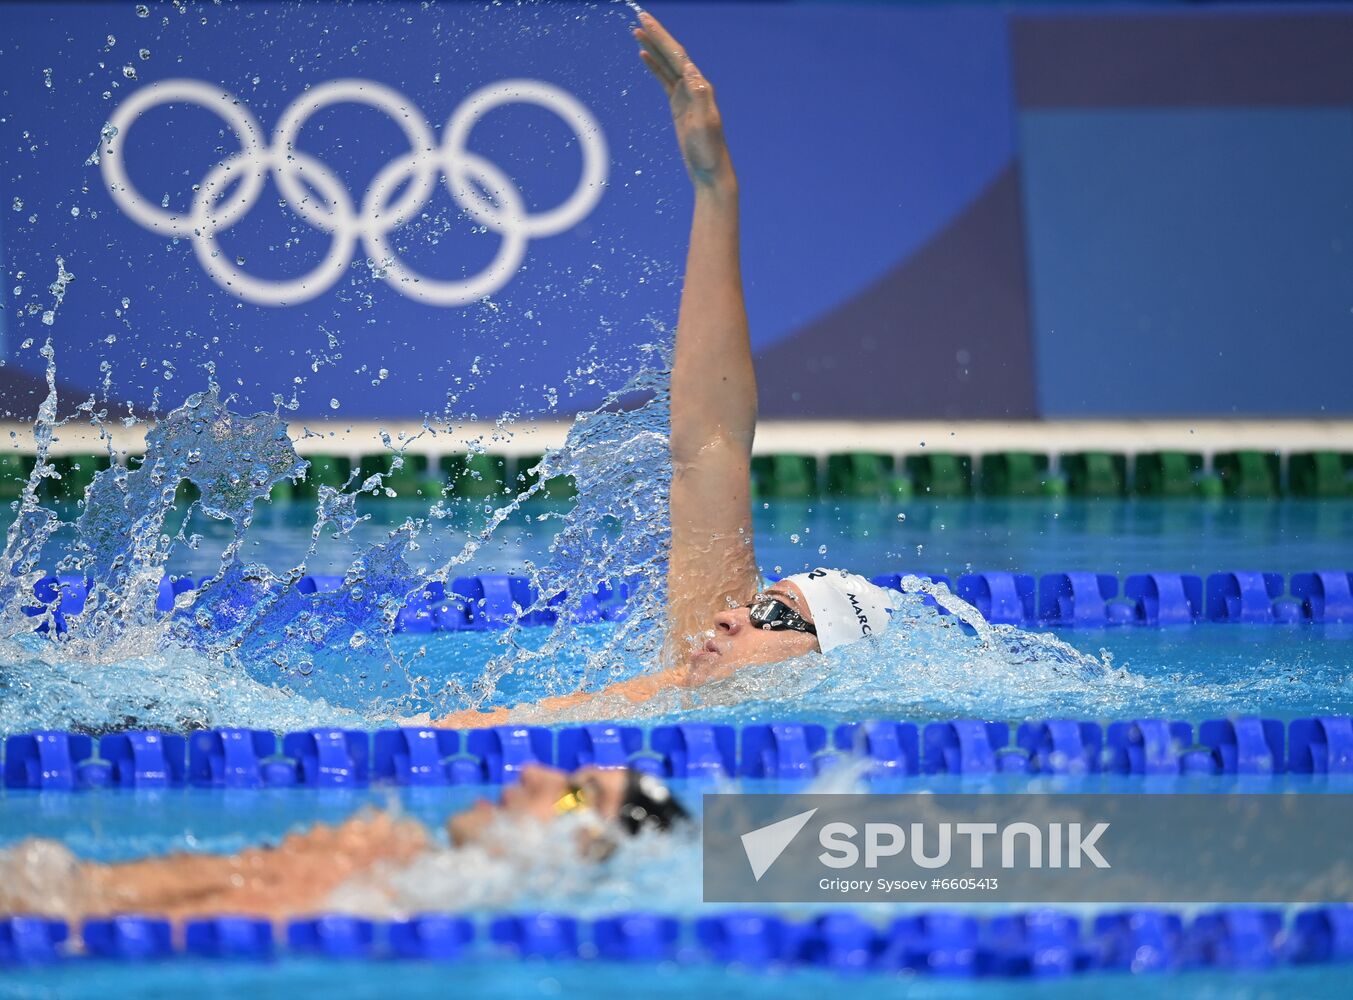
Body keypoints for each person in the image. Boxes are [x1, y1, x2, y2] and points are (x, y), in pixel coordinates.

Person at [438, 12, 895, 728]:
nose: (727, 613)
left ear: (821, 661)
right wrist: (715, 186)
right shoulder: (691, 695)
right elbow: (709, 441)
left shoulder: (752, 726)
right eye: (752, 602)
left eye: (770, 612)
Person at [0, 764, 688, 923]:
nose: (534, 772)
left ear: (583, 848)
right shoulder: (406, 869)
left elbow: (82, 911)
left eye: (572, 794)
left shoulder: (389, 890)